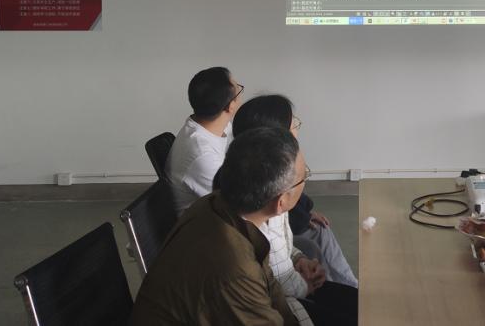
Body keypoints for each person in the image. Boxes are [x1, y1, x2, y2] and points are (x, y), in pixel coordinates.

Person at [130, 126, 305, 325]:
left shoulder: (215, 203)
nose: (305, 180)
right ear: (281, 202)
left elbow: (270, 285)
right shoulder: (236, 270)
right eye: (304, 176)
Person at [233, 95, 358, 326]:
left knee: (357, 302)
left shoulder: (259, 191)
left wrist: (299, 258)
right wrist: (306, 285)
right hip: (282, 304)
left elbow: (283, 251)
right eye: (303, 177)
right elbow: (282, 286)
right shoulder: (258, 224)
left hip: (287, 290)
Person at [166, 66, 244, 216]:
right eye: (239, 90)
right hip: (208, 223)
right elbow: (238, 208)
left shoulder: (209, 126)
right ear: (230, 106)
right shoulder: (203, 156)